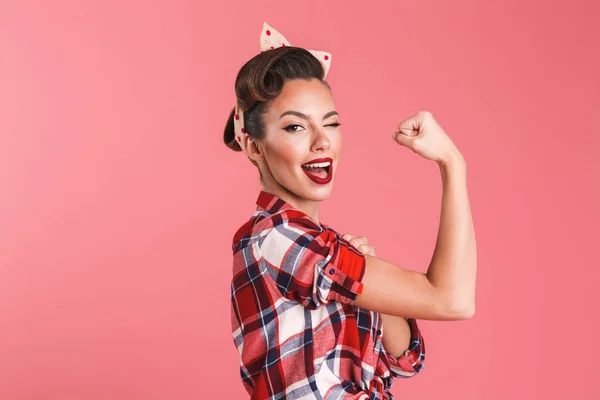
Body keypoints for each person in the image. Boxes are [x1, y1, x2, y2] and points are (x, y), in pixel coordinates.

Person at [225, 25, 476, 400]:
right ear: (253, 145)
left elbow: (404, 359)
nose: (322, 141)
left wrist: (367, 284)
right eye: (295, 126)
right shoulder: (280, 238)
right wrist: (452, 163)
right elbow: (452, 299)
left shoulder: (323, 248)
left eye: (331, 123)